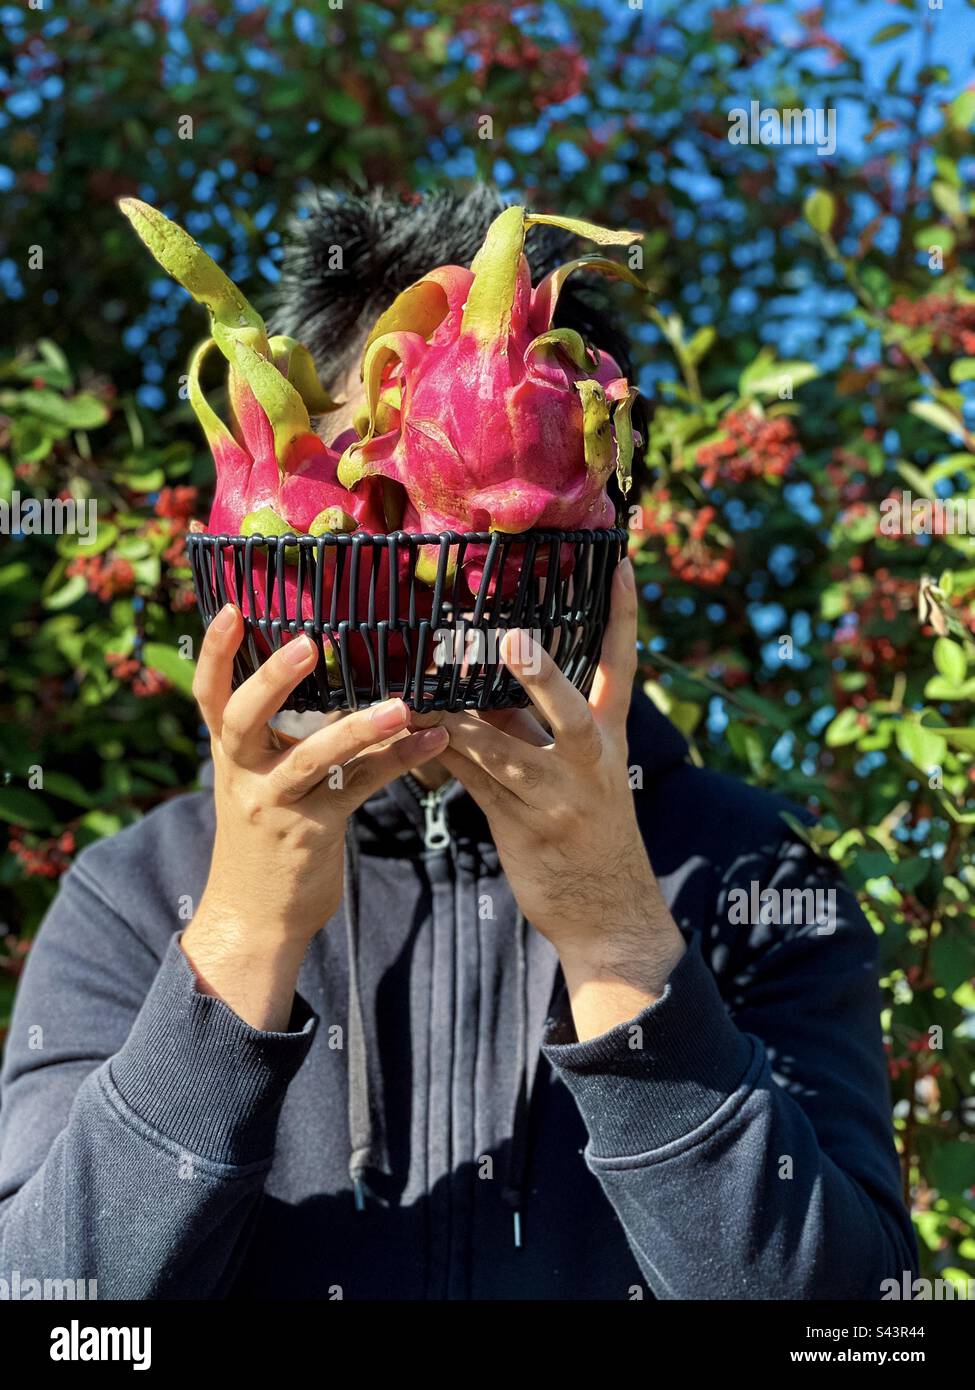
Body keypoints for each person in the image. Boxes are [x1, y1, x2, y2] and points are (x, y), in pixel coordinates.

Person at [0, 185, 917, 1300]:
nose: (446, 569)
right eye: (382, 499)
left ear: (607, 522)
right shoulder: (136, 894)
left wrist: (622, 937)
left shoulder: (759, 874)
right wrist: (238, 937)